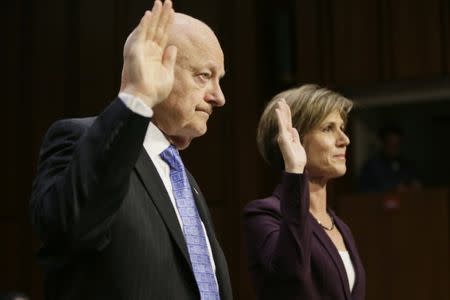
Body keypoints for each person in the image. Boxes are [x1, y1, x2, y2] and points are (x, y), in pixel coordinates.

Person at [30, 1, 232, 299]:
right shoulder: (80, 139)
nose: (219, 97)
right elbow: (71, 228)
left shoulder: (183, 178)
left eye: (220, 80)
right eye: (204, 76)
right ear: (157, 65)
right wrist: (138, 95)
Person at [243, 84, 366, 299]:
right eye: (328, 128)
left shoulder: (340, 226)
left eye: (342, 127)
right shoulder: (264, 214)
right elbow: (292, 275)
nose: (344, 139)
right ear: (292, 140)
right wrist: (295, 170)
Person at [359, 124, 421, 193]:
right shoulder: (371, 166)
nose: (394, 148)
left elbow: (415, 183)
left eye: (397, 145)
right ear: (383, 143)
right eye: (390, 144)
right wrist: (392, 188)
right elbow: (364, 191)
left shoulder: (407, 165)